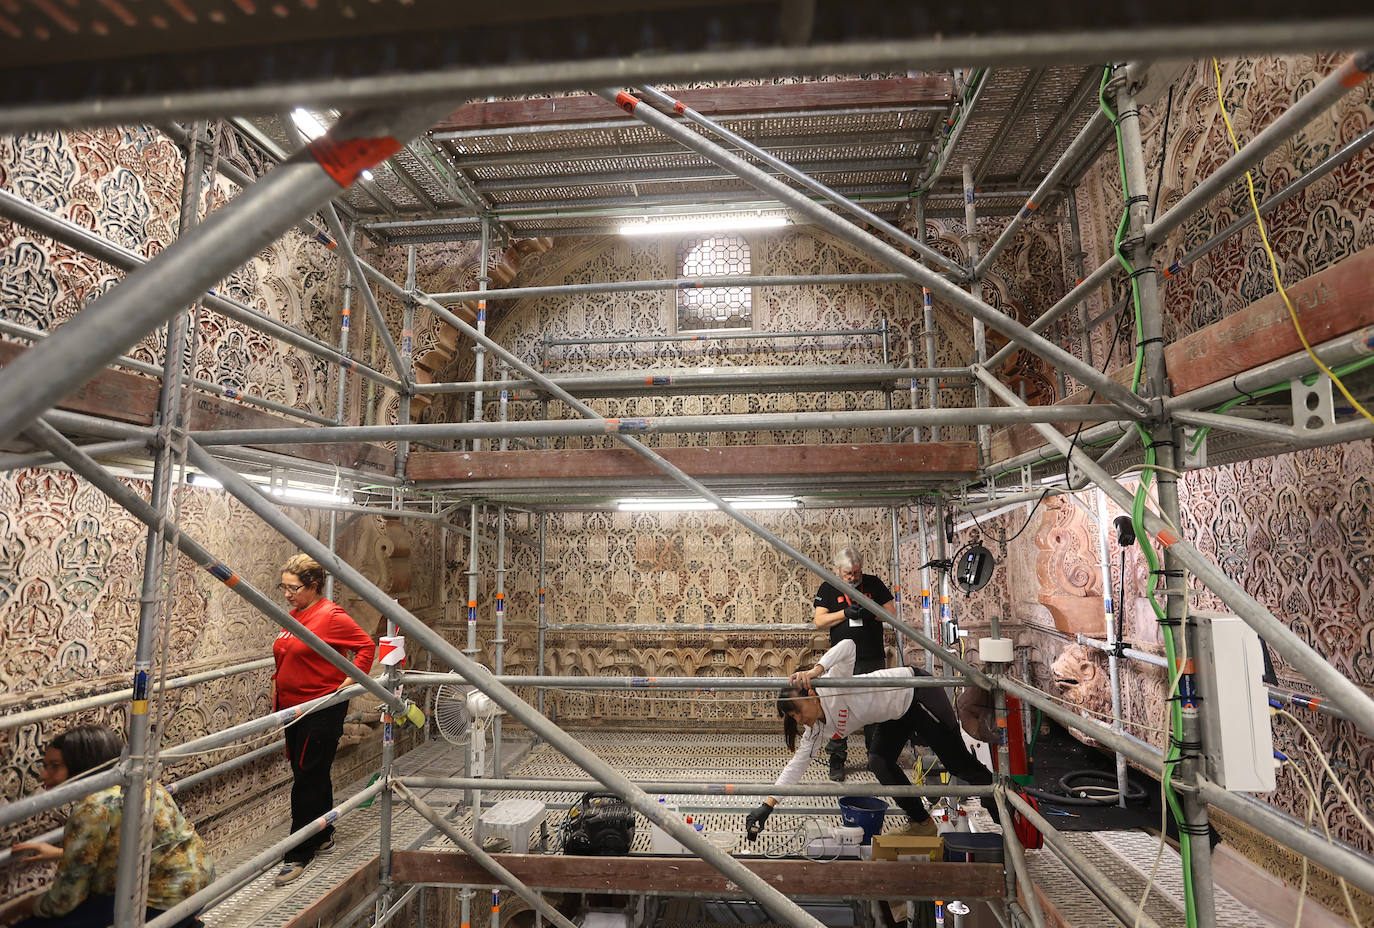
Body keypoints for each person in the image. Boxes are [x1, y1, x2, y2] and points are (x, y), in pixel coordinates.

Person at [744, 638, 995, 841]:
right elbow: (795, 767)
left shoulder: (833, 684)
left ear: (811, 694)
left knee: (958, 765)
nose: (798, 719)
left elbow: (849, 645)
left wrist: (817, 669)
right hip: (895, 713)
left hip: (917, 693)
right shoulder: (816, 730)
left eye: (797, 711)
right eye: (793, 717)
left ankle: (1001, 809)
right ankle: (922, 822)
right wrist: (767, 806)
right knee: (879, 761)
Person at [1, 725, 213, 928]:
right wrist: (61, 853)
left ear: (81, 765)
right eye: (45, 766)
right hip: (199, 887)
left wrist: (22, 906)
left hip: (163, 902)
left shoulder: (91, 809)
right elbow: (126, 848)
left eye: (55, 767)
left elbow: (63, 900)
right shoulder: (144, 785)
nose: (42, 776)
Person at [271, 554, 376, 886]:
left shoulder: (330, 615)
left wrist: (348, 681)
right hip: (294, 709)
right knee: (312, 772)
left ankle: (298, 852)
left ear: (313, 586)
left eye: (293, 588)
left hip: (320, 709)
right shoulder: (298, 615)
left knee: (306, 778)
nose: (287, 594)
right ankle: (323, 831)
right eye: (284, 587)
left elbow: (365, 647)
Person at [811, 547, 894, 781]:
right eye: (848, 573)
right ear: (837, 570)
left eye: (856, 572)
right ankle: (837, 758)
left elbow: (891, 614)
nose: (853, 577)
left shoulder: (874, 584)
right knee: (838, 707)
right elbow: (819, 620)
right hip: (842, 661)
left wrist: (870, 611)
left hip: (872, 656)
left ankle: (875, 756)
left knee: (874, 706)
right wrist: (844, 613)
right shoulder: (829, 586)